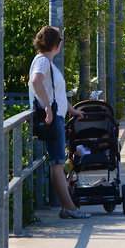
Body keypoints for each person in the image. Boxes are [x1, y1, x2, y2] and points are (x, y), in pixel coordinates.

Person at [29, 25, 89, 219]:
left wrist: (73, 110)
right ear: (56, 43)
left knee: (58, 162)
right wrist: (47, 106)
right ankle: (70, 208)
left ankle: (67, 207)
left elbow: (58, 94)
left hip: (58, 116)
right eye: (60, 41)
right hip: (53, 118)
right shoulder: (43, 62)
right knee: (57, 163)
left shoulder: (48, 62)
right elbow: (35, 81)